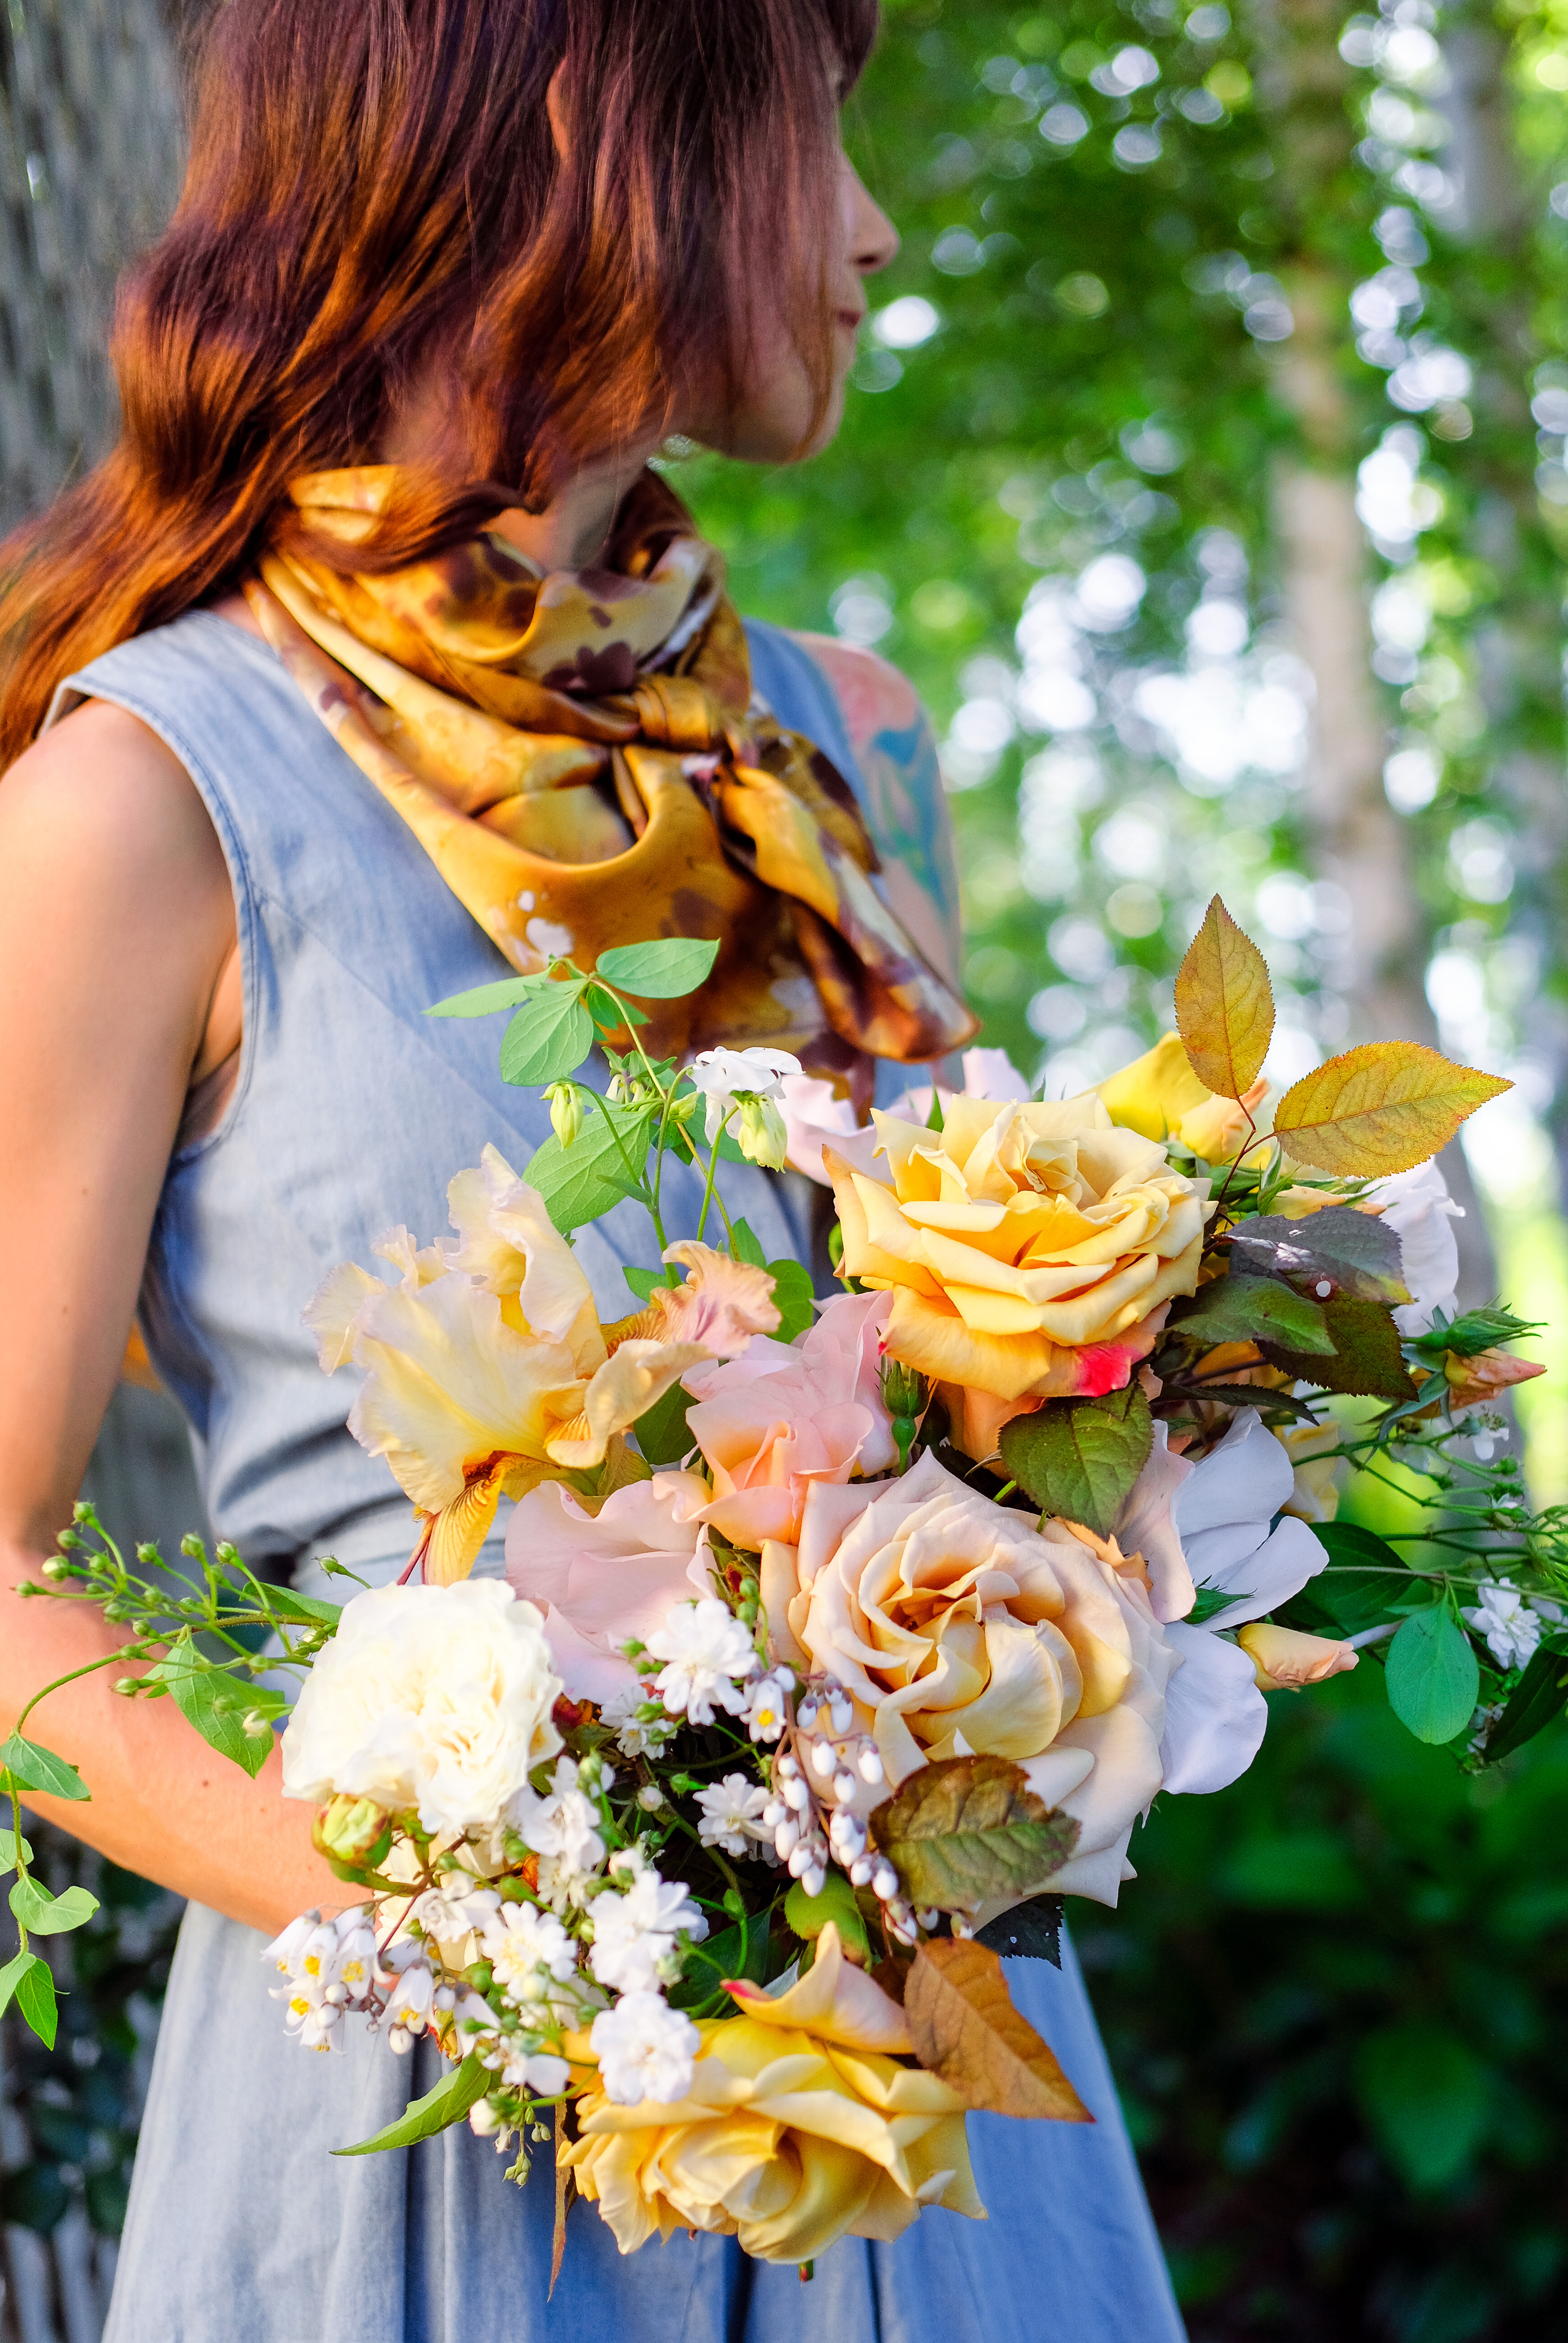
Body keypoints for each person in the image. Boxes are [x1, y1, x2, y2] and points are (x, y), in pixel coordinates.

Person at [0, 3, 1186, 2336]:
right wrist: (501, 1933)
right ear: (595, 137)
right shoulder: (142, 806)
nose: (870, 227)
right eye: (813, 121)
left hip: (949, 2120)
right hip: (453, 2152)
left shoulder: (850, 748)